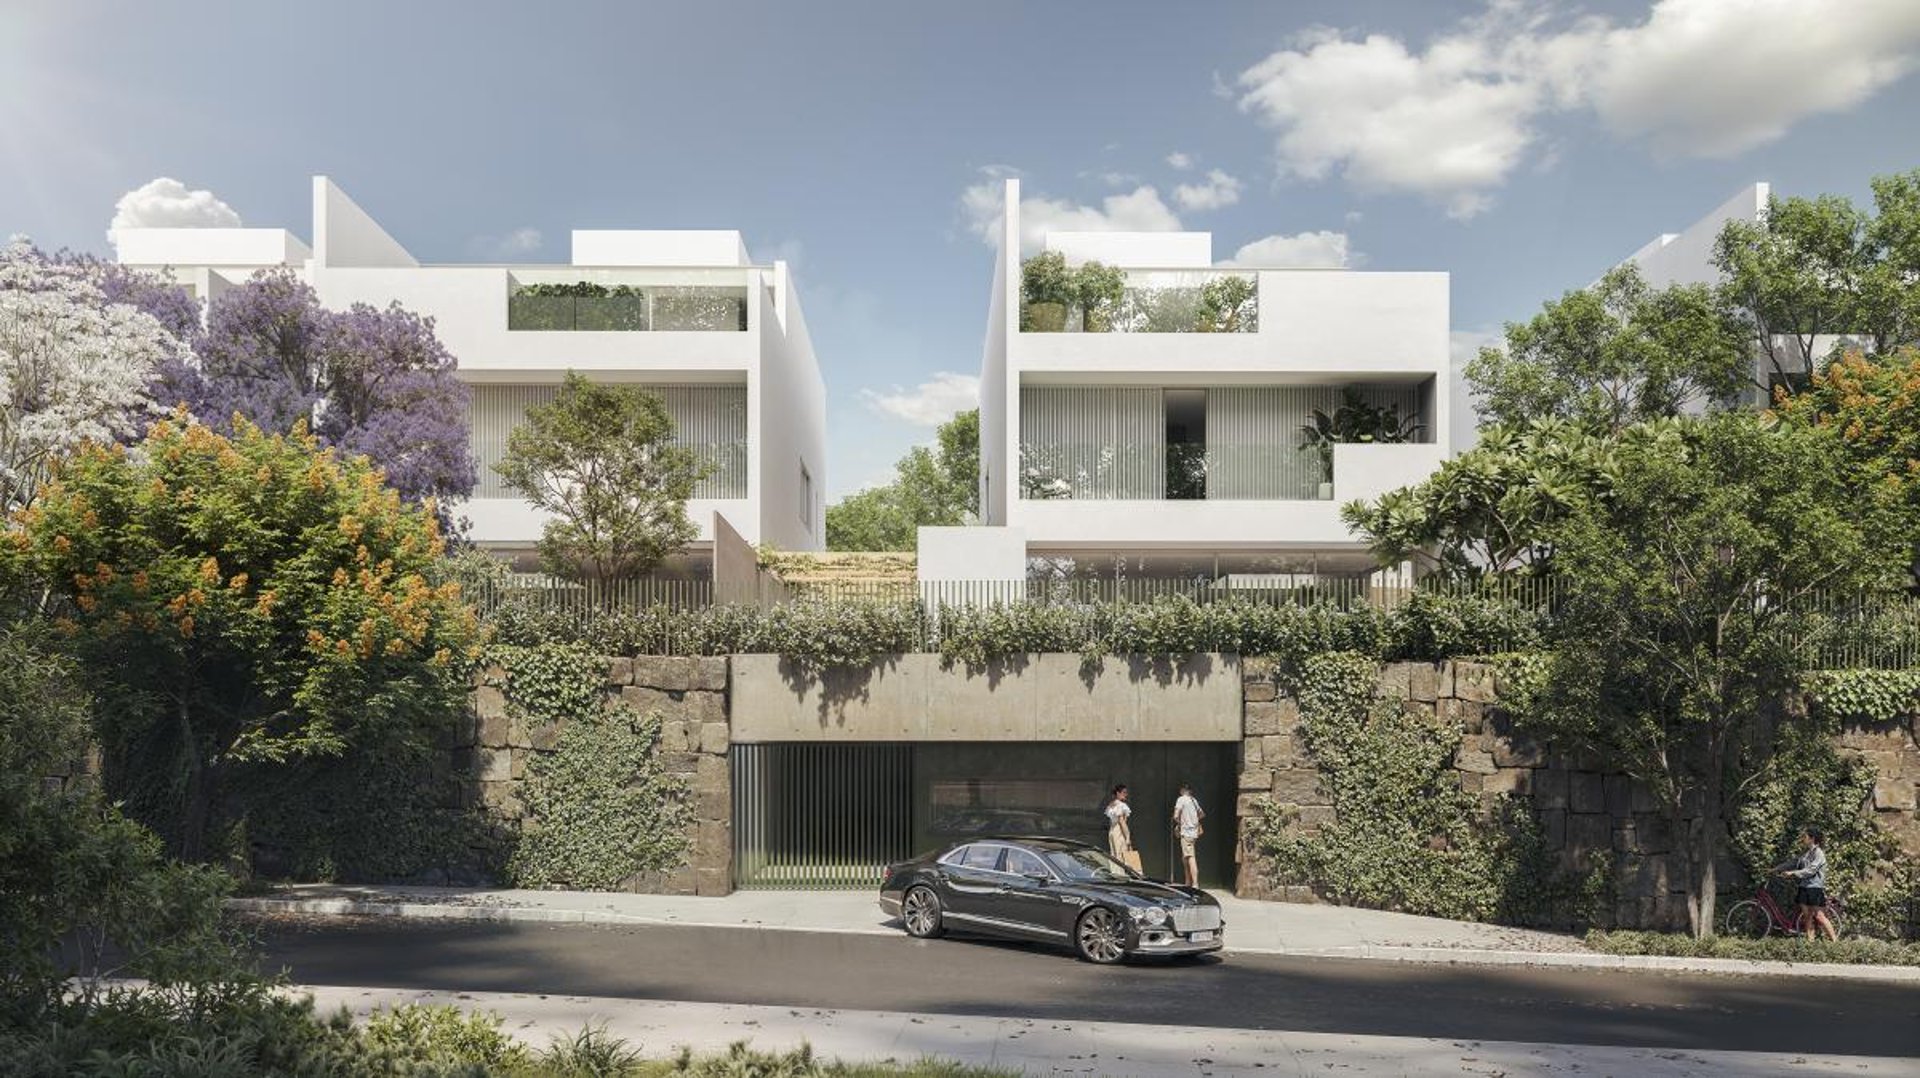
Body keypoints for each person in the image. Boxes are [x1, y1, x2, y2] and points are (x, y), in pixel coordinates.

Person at [1773, 827, 1837, 942]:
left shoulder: (1819, 853)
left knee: (1819, 916)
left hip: (1815, 888)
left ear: (1812, 838)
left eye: (1805, 837)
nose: (1803, 839)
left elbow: (1811, 870)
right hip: (1804, 887)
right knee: (1807, 916)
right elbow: (1794, 862)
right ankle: (1810, 942)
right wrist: (1777, 868)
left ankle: (1835, 941)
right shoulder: (1806, 853)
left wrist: (1793, 873)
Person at [1171, 783, 1205, 887]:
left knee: (1190, 857)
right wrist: (1193, 821)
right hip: (1193, 833)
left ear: (1182, 790)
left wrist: (1181, 823)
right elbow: (1202, 814)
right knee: (1185, 857)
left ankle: (1195, 883)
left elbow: (1176, 816)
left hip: (1186, 832)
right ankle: (1188, 882)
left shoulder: (1181, 799)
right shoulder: (1194, 800)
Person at [1103, 784, 1133, 865]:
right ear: (1118, 793)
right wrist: (1127, 837)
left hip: (1112, 832)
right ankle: (1121, 872)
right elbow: (1122, 822)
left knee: (1114, 856)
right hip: (1119, 832)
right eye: (1124, 792)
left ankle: (1116, 871)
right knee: (1121, 857)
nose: (1126, 794)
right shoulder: (1121, 805)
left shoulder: (1111, 805)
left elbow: (1111, 821)